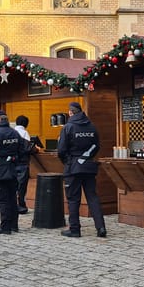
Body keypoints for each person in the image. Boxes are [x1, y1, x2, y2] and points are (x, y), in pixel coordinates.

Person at [58, 101, 105, 238]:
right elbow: (96, 146)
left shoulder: (68, 127)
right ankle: (101, 227)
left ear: (71, 112)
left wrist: (68, 162)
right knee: (92, 197)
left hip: (73, 167)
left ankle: (74, 229)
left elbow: (61, 150)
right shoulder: (91, 126)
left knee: (73, 199)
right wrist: (87, 157)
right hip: (89, 166)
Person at [12, 115, 40, 214]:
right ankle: (21, 206)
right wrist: (36, 149)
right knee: (22, 186)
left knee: (13, 185)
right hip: (23, 163)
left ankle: (13, 205)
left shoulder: (11, 132)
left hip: (12, 162)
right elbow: (28, 148)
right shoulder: (24, 133)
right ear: (26, 124)